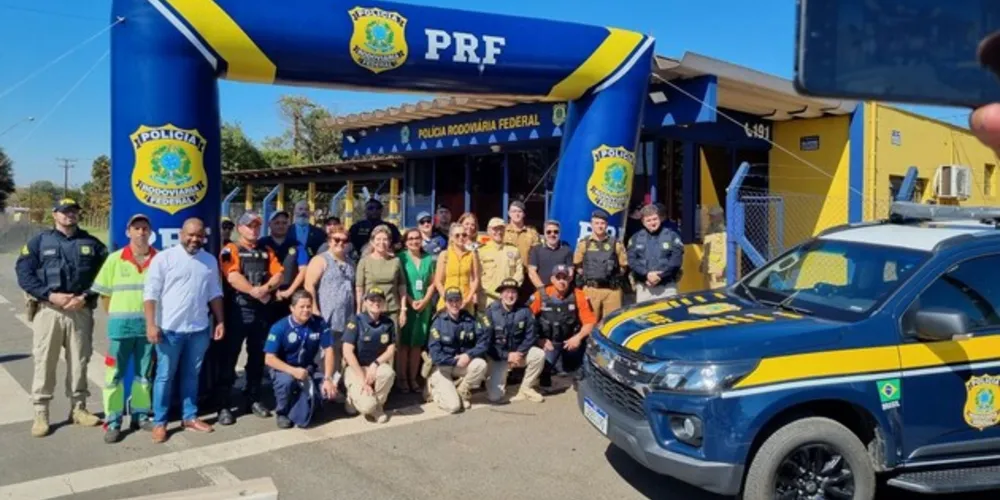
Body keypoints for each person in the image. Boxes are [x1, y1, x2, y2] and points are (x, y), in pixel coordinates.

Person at [15, 198, 108, 437]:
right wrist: (49, 295)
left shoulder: (92, 243)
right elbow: (24, 274)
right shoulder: (38, 242)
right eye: (64, 212)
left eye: (74, 212)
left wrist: (85, 297)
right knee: (45, 361)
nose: (70, 215)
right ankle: (41, 412)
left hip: (80, 310)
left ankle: (78, 409)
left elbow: (105, 275)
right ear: (54, 214)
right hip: (49, 311)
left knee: (80, 361)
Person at [143, 218, 225, 444]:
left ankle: (189, 417)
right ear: (181, 234)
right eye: (190, 234)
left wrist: (220, 321)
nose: (194, 239)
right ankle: (160, 422)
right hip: (169, 330)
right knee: (164, 376)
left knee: (192, 375)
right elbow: (150, 294)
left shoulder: (208, 260)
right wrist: (151, 324)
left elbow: (214, 293)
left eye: (199, 235)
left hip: (198, 329)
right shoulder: (164, 258)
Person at [92, 213, 157, 443]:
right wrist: (117, 316)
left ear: (150, 233)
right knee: (114, 376)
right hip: (120, 329)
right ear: (128, 232)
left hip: (148, 329)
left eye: (144, 228)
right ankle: (113, 420)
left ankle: (140, 414)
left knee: (144, 375)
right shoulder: (115, 259)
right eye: (136, 228)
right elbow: (105, 295)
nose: (141, 232)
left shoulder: (159, 260)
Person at [217, 211, 284, 424]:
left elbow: (279, 274)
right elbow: (232, 276)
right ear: (240, 228)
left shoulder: (267, 250)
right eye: (249, 226)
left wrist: (264, 288)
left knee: (257, 358)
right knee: (229, 358)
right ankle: (224, 404)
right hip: (238, 310)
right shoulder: (231, 249)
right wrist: (253, 291)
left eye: (256, 226)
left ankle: (253, 398)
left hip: (261, 311)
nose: (253, 229)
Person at [264, 290, 339, 429]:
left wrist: (328, 379)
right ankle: (283, 412)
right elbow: (269, 359)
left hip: (308, 368)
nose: (306, 310)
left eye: (309, 306)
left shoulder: (319, 323)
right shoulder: (279, 327)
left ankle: (306, 403)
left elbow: (329, 350)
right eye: (302, 307)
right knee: (286, 382)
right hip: (284, 369)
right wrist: (293, 371)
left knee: (326, 391)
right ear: (292, 308)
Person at [531, 264, 598, 388]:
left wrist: (578, 337)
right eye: (558, 277)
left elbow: (590, 322)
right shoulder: (541, 294)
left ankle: (576, 370)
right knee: (545, 373)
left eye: (565, 278)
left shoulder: (579, 295)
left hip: (570, 341)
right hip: (549, 342)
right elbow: (527, 319)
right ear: (552, 279)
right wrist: (539, 339)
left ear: (570, 279)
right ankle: (549, 371)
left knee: (578, 366)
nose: (561, 281)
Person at [427, 287, 489, 413]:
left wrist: (468, 355)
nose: (454, 304)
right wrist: (454, 361)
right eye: (451, 301)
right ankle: (434, 390)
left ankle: (462, 391)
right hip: (443, 367)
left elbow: (483, 343)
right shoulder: (438, 322)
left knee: (480, 364)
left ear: (461, 302)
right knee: (454, 407)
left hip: (462, 363)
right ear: (445, 303)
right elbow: (435, 355)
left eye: (457, 300)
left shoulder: (469, 320)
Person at [304, 226, 355, 376]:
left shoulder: (351, 263)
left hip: (346, 315)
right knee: (325, 351)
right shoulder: (320, 260)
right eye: (336, 240)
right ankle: (323, 385)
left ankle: (335, 385)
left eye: (344, 240)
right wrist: (314, 309)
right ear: (329, 241)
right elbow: (309, 285)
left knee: (340, 352)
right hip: (326, 314)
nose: (340, 243)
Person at [483, 279, 545, 403]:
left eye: (513, 292)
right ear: (500, 294)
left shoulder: (525, 311)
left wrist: (519, 353)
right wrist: (507, 356)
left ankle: (526, 387)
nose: (510, 296)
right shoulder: (490, 311)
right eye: (507, 292)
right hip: (498, 357)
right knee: (495, 397)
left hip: (519, 354)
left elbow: (531, 335)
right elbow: (486, 342)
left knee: (539, 354)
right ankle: (494, 382)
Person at [342, 288, 397, 423]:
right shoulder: (356, 320)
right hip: (355, 368)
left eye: (379, 300)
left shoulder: (388, 323)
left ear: (384, 303)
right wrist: (362, 378)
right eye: (372, 300)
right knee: (364, 407)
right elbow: (347, 351)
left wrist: (375, 364)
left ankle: (377, 407)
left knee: (388, 373)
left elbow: (390, 350)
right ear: (365, 302)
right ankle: (358, 400)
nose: (376, 303)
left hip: (374, 367)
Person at [398, 227, 437, 392]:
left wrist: (425, 301)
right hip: (406, 306)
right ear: (405, 242)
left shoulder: (428, 259)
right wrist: (410, 301)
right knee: (403, 344)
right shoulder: (401, 258)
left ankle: (413, 378)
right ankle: (402, 379)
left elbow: (432, 283)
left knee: (417, 345)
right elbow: (400, 283)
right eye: (410, 239)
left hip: (423, 307)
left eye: (417, 238)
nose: (414, 241)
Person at [573, 209, 628, 321]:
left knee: (612, 322)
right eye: (596, 223)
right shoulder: (585, 243)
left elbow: (623, 265)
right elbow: (577, 264)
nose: (600, 226)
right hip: (592, 290)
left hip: (612, 292)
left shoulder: (615, 243)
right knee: (589, 323)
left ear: (607, 225)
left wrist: (613, 278)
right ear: (592, 225)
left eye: (602, 223)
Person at [259, 210, 310, 324]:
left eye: (284, 223)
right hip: (265, 297)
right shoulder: (261, 244)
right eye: (277, 223)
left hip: (289, 297)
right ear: (269, 225)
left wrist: (289, 291)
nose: (280, 226)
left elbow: (303, 270)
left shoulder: (297, 245)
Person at [628, 204, 684, 302]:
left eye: (655, 219)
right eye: (648, 220)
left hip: (667, 288)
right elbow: (632, 261)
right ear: (643, 222)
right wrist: (647, 274)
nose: (652, 223)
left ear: (660, 219)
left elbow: (676, 261)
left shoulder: (672, 236)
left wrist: (660, 276)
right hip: (645, 288)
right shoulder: (635, 238)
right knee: (643, 317)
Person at [355, 225, 407, 328]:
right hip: (370, 310)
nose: (381, 243)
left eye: (385, 239)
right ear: (372, 242)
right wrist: (359, 309)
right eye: (378, 239)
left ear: (390, 242)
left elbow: (402, 286)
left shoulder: (395, 261)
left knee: (392, 342)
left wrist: (403, 310)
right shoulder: (364, 261)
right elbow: (359, 288)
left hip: (391, 310)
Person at [478, 217, 524, 310]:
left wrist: (508, 292)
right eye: (495, 229)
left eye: (501, 229)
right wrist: (495, 293)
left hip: (508, 300)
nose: (499, 232)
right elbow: (477, 277)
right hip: (488, 300)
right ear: (488, 231)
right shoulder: (481, 251)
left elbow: (519, 274)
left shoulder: (513, 250)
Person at [434, 223, 480, 313]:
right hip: (446, 303)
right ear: (451, 237)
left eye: (464, 235)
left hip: (465, 302)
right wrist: (447, 299)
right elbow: (438, 281)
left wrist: (468, 299)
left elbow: (475, 279)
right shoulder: (445, 255)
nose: (461, 237)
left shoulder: (472, 254)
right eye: (457, 235)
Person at [503, 201, 540, 301]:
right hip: (507, 275)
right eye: (514, 211)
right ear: (509, 213)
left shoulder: (532, 233)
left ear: (524, 214)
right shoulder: (503, 231)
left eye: (519, 211)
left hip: (527, 276)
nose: (517, 214)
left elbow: (537, 254)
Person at [528, 220, 573, 291]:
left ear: (559, 233)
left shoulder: (567, 250)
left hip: (561, 292)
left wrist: (561, 287)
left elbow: (570, 273)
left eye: (556, 232)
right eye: (549, 232)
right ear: (544, 233)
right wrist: (542, 290)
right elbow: (532, 272)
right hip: (541, 292)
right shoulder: (536, 249)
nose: (552, 234)